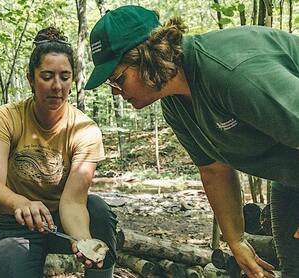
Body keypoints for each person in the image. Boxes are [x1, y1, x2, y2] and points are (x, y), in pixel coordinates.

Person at [85, 5, 299, 278]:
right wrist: (236, 240)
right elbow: (214, 168)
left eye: (118, 79)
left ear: (147, 56)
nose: (116, 93)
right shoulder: (175, 104)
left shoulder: (230, 71)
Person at [0, 26, 118, 278]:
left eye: (65, 77)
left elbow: (74, 201)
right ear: (31, 79)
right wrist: (20, 203)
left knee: (98, 209)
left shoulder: (85, 129)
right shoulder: (6, 118)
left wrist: (83, 241)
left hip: (63, 220)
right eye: (47, 76)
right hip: (17, 219)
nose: (57, 86)